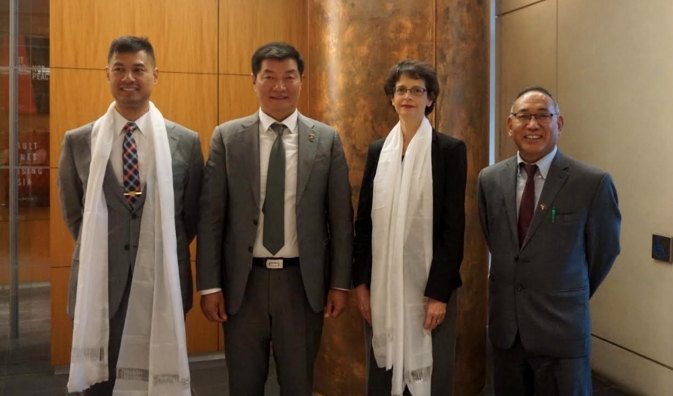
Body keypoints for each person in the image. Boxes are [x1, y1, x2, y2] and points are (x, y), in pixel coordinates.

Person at [196, 41, 353, 395]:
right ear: (253, 80)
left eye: (289, 77)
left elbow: (341, 221)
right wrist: (210, 285)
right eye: (269, 76)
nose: (279, 86)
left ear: (301, 81)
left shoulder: (326, 140)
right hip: (243, 284)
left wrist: (339, 283)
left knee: (298, 384)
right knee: (244, 384)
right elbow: (211, 218)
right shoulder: (227, 138)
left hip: (302, 285)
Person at [58, 35, 203, 395]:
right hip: (100, 280)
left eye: (138, 69)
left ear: (156, 75)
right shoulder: (79, 141)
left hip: (162, 280)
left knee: (156, 378)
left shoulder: (185, 142)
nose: (128, 78)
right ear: (106, 74)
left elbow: (192, 214)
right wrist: (102, 248)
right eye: (119, 69)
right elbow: (74, 212)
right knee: (101, 384)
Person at [477, 86, 621, 395]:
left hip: (561, 332)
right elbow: (498, 243)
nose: (533, 124)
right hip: (507, 334)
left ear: (559, 123)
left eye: (543, 115)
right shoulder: (489, 180)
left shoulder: (591, 183)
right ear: (509, 125)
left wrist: (562, 291)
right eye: (524, 116)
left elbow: (603, 253)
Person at [353, 59, 467, 396]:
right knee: (382, 375)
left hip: (431, 290)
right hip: (381, 286)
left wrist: (438, 294)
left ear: (430, 99)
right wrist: (360, 282)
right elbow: (364, 221)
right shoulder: (378, 151)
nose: (408, 96)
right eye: (401, 90)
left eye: (417, 90)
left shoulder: (449, 150)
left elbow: (453, 227)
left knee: (432, 375)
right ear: (391, 97)